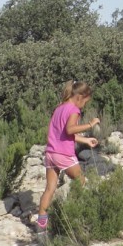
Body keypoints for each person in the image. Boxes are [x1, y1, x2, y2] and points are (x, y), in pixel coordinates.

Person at [35, 81, 99, 232]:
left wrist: (85, 140)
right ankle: (80, 217)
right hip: (64, 154)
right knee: (81, 183)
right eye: (85, 101)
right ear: (79, 97)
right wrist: (90, 124)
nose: (84, 105)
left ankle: (41, 226)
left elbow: (64, 134)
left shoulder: (59, 108)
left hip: (51, 154)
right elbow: (70, 129)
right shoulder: (73, 110)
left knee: (50, 189)